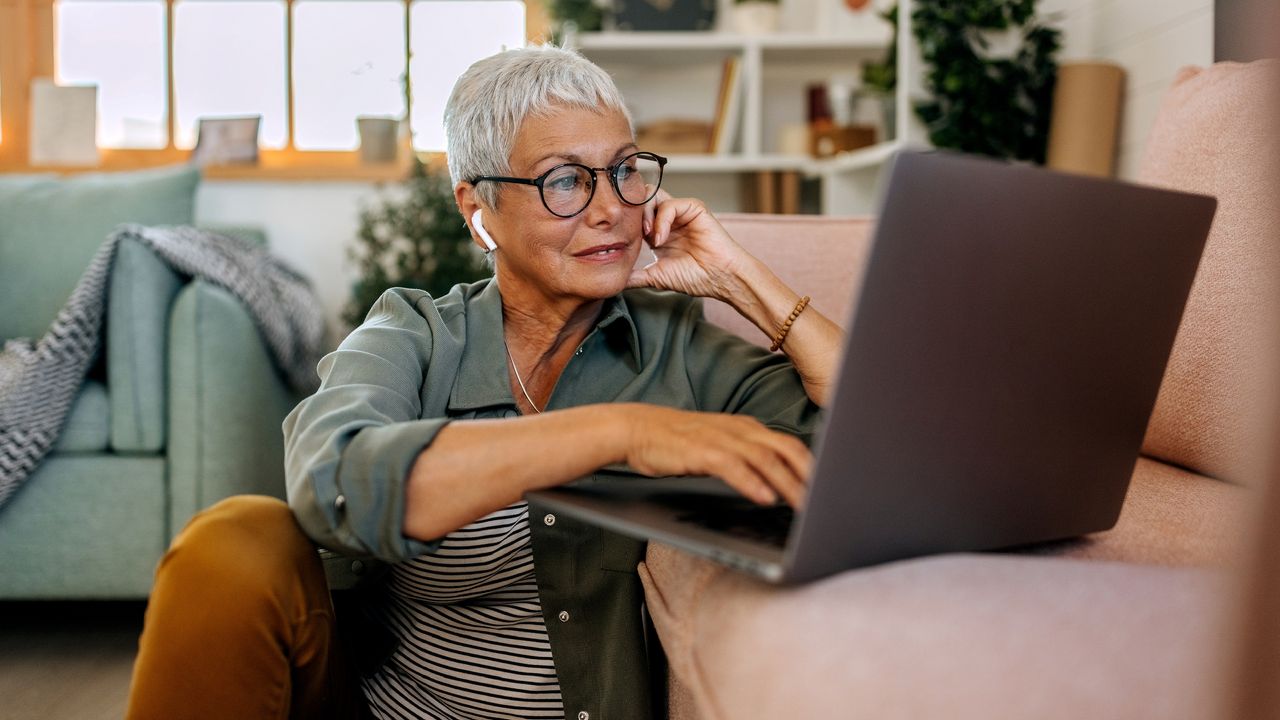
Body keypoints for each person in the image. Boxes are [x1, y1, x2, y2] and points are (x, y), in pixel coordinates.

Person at [126, 44, 843, 720]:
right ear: (478, 212)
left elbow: (874, 448)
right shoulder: (414, 334)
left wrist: (743, 282)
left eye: (625, 171)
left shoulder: (679, 350)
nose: (610, 208)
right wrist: (622, 431)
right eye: (565, 179)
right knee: (234, 540)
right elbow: (333, 483)